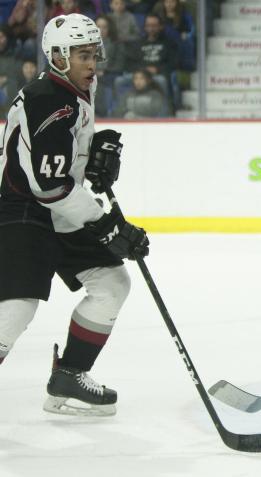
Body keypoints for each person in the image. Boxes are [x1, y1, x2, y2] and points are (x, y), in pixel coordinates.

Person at [0, 13, 149, 416]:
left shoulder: (78, 86)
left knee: (112, 284)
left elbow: (61, 164)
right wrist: (107, 224)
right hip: (21, 208)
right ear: (58, 57)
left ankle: (69, 375)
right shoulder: (50, 100)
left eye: (93, 54)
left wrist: (91, 154)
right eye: (82, 55)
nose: (91, 63)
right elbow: (47, 186)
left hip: (57, 207)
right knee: (16, 307)